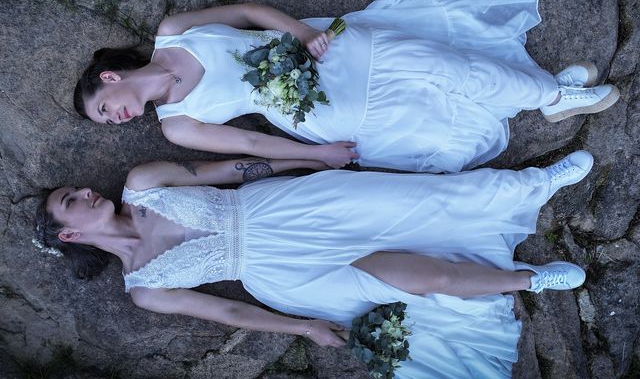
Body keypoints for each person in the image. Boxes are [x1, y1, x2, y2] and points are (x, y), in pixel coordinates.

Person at [35, 150, 593, 377]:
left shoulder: (144, 182)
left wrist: (310, 157)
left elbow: (231, 169)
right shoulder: (144, 290)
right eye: (71, 201)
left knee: (418, 199)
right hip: (276, 273)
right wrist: (302, 326)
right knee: (413, 279)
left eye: (74, 189)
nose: (84, 191)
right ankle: (531, 280)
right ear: (71, 233)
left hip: (281, 205)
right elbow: (228, 313)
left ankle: (536, 184)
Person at [73, 0, 619, 172]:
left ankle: (547, 94)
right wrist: (314, 154)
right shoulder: (177, 123)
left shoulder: (173, 30)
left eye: (105, 109)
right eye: (109, 123)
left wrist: (304, 32)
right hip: (314, 107)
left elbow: (245, 12)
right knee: (431, 97)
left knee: (441, 62)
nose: (116, 118)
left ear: (110, 78)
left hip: (323, 49)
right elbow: (255, 146)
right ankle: (547, 94)